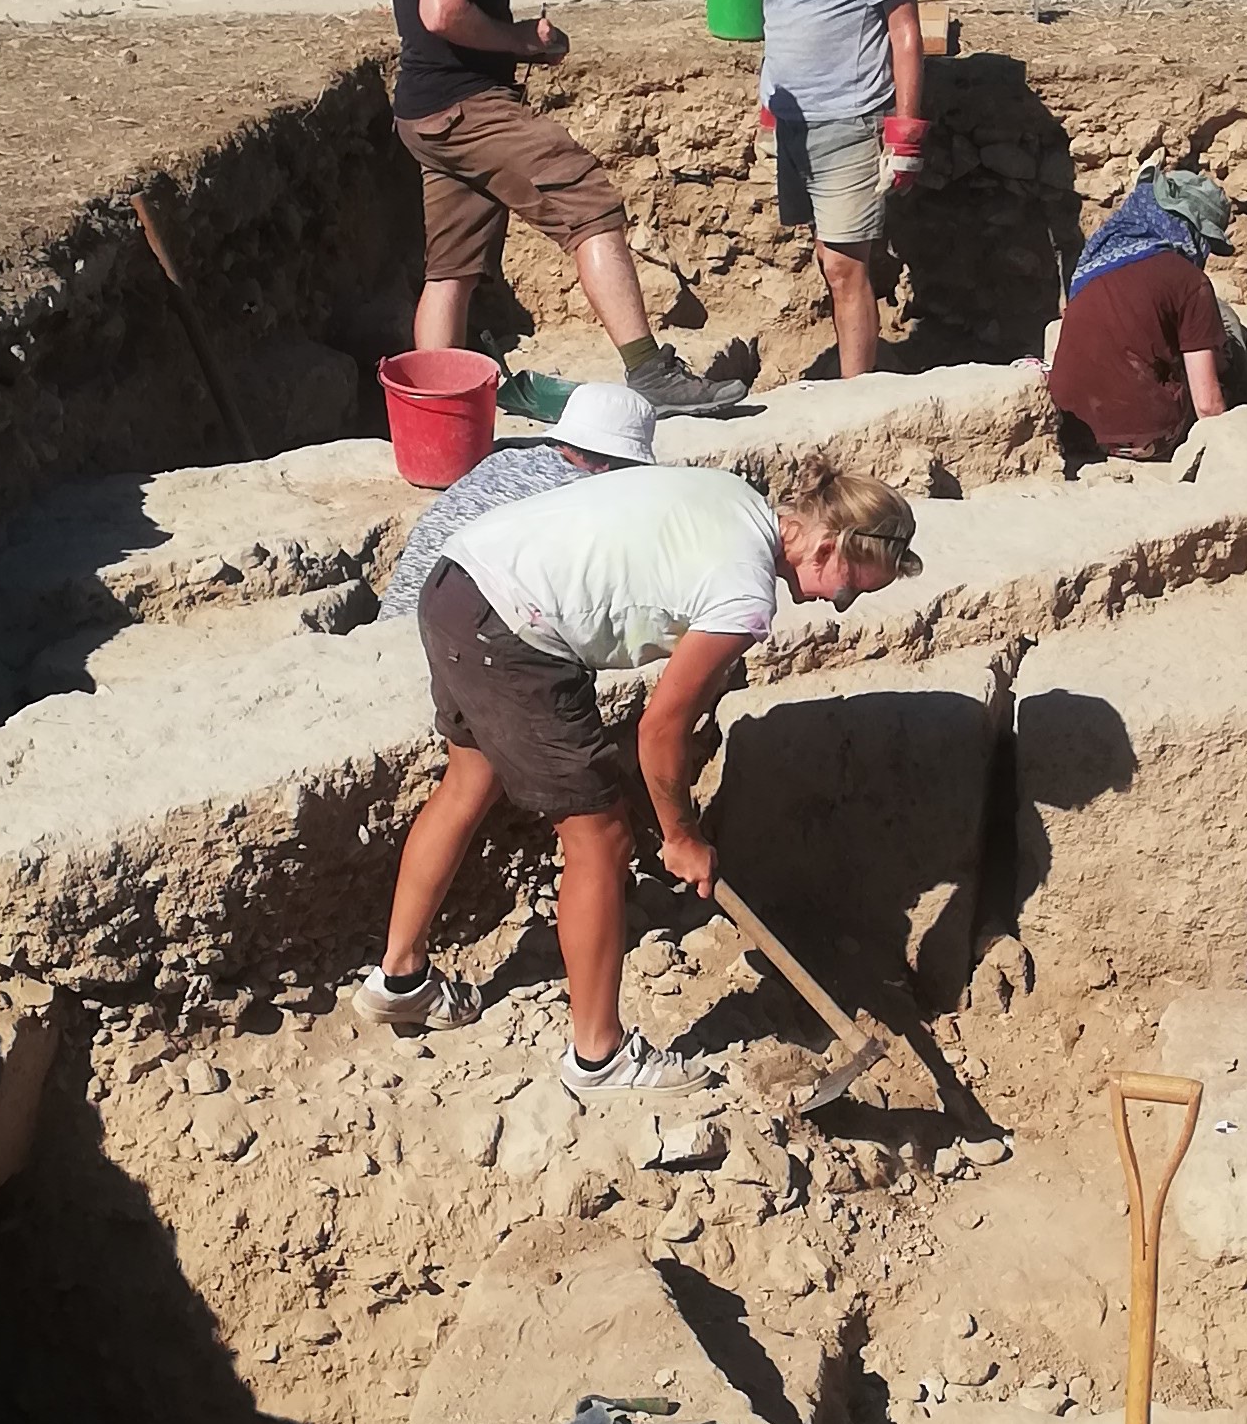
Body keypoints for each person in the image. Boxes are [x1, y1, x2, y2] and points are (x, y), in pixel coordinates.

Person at [355, 463, 920, 1094]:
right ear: (826, 545)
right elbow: (659, 731)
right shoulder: (746, 592)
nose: (837, 605)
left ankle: (399, 982)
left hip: (459, 586)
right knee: (601, 840)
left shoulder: (738, 501)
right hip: (514, 631)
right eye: (848, 588)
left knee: (470, 780)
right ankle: (599, 1058)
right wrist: (681, 836)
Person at [387, 0, 745, 416]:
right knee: (590, 205)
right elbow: (442, 12)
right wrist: (523, 40)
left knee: (452, 270)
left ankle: (434, 417)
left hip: (426, 113)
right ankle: (651, 374)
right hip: (465, 107)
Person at [737, 0, 928, 379]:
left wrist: (906, 132)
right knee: (826, 256)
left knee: (846, 266)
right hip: (792, 115)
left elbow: (905, 30)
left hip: (849, 115)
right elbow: (773, 8)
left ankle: (855, 397)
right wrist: (768, 99)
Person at [379, 382, 657, 622]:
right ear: (610, 463)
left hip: (397, 611)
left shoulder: (504, 458)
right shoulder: (584, 496)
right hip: (447, 629)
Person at [1045, 165, 1245, 462]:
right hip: (1147, 437)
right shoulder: (1189, 281)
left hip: (1070, 429)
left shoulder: (1094, 263)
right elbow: (1207, 406)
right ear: (1191, 228)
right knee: (1230, 342)